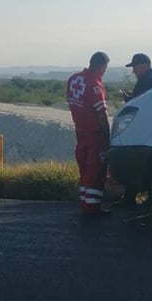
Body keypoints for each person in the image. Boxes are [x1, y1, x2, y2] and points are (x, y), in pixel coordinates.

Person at [66, 51, 112, 217]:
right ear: (102, 66)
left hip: (80, 131)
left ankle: (84, 201)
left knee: (84, 168)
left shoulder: (73, 80)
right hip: (95, 134)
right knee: (96, 169)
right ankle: (92, 207)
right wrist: (108, 136)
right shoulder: (94, 85)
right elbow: (101, 114)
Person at [114, 53, 152, 207]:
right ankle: (148, 197)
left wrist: (129, 99)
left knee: (135, 163)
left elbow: (142, 104)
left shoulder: (147, 81)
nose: (133, 71)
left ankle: (129, 199)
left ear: (143, 65)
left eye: (135, 67)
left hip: (145, 129)